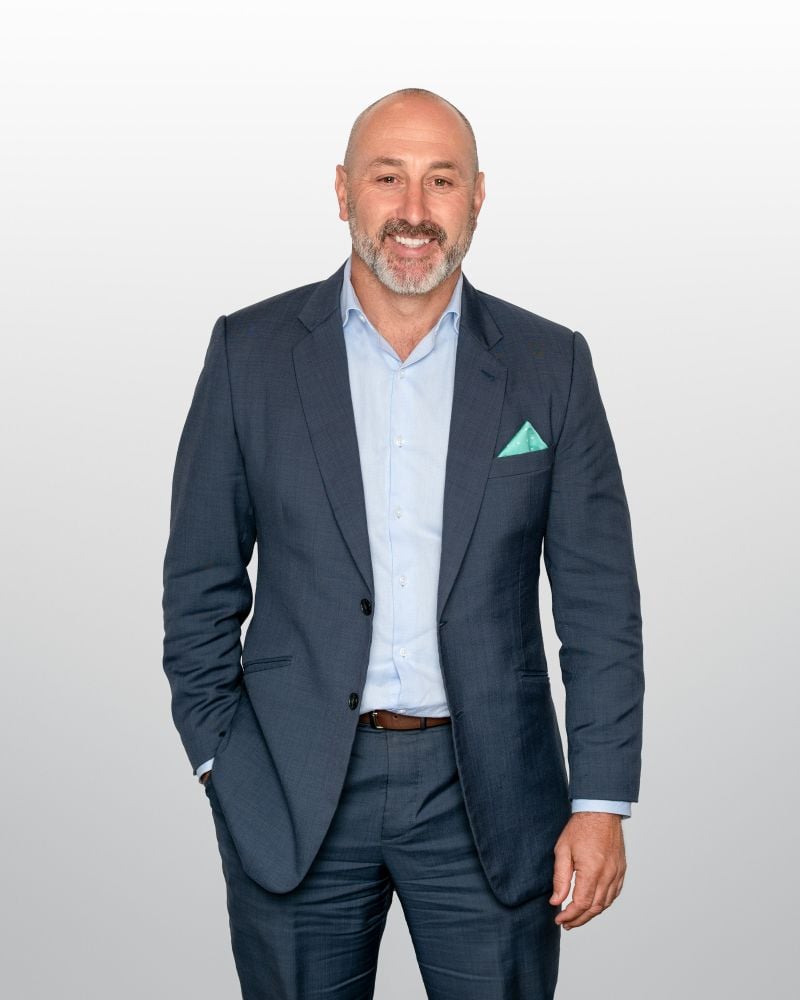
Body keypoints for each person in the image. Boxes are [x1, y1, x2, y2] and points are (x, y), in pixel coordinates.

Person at [162, 87, 644, 1000]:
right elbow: (198, 585)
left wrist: (600, 800)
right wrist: (223, 762)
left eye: (441, 180)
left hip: (492, 796)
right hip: (291, 786)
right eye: (388, 178)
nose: (414, 209)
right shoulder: (247, 354)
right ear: (343, 190)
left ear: (478, 196)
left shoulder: (551, 364)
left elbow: (600, 605)